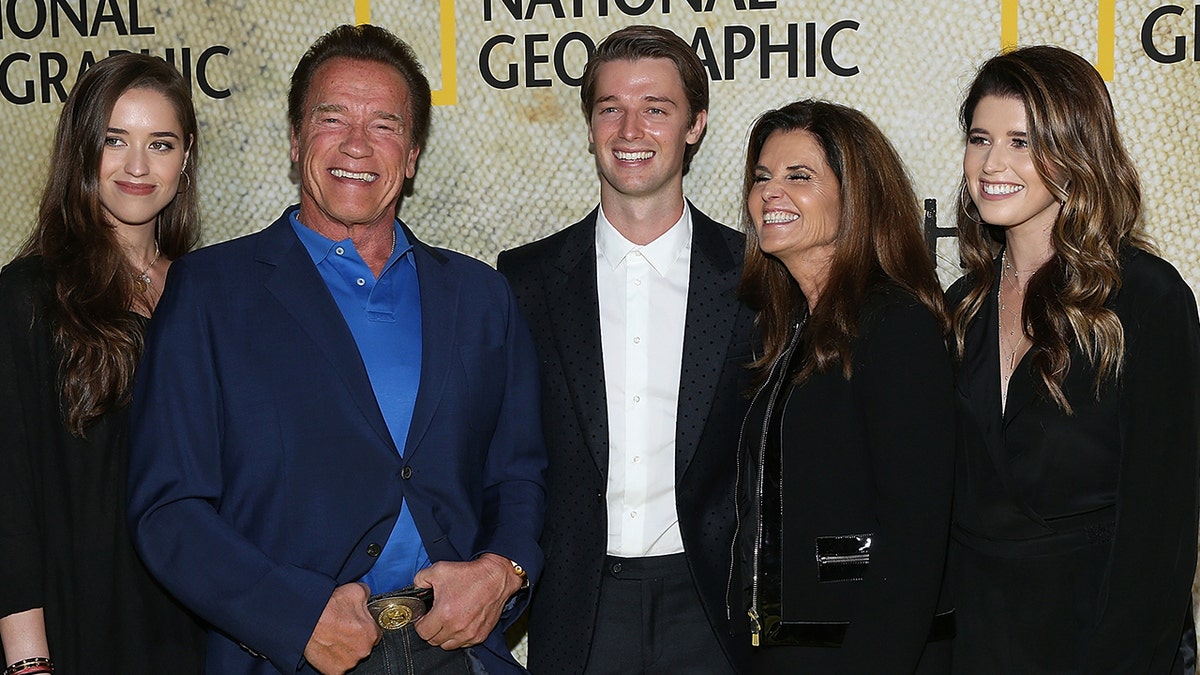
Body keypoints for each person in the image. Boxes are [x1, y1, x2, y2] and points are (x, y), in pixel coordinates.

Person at [126, 24, 546, 675]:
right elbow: (168, 510)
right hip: (290, 656)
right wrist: (294, 617)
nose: (357, 142)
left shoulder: (481, 296)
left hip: (458, 656)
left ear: (411, 155)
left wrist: (504, 569)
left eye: (384, 124)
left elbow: (518, 476)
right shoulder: (210, 293)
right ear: (296, 143)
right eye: (332, 118)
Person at [497, 24, 755, 675]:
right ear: (589, 127)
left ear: (694, 125)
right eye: (610, 108)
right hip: (579, 607)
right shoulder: (525, 280)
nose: (630, 130)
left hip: (715, 609)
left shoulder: (758, 278)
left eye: (656, 109)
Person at [947, 45, 1200, 674]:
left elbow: (1162, 530)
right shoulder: (959, 306)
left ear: (1076, 151)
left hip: (1102, 637)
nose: (992, 163)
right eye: (980, 139)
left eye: (1022, 141)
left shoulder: (1147, 298)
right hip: (977, 641)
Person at [728, 100, 956, 674]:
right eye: (762, 177)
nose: (769, 194)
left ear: (857, 195)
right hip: (789, 650)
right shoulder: (789, 328)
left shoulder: (894, 323)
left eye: (798, 177)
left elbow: (916, 532)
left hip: (863, 649)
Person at [0, 53, 205, 674]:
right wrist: (27, 661)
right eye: (114, 140)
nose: (138, 166)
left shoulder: (209, 293)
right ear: (81, 148)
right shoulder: (28, 297)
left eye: (160, 143)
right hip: (81, 631)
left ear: (186, 156)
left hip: (202, 629)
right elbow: (9, 494)